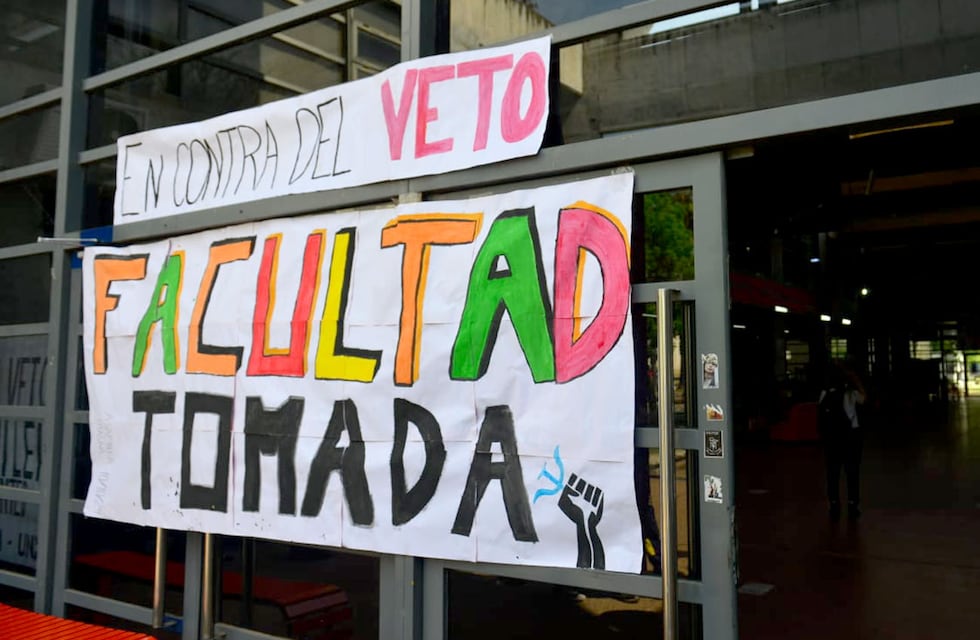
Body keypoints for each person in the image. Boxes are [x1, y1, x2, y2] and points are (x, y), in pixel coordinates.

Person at [818, 361, 866, 520]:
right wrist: (856, 380)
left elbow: (820, 416)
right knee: (852, 473)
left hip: (832, 439)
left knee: (833, 474)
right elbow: (864, 399)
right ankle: (852, 505)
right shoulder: (850, 393)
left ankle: (834, 505)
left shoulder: (825, 393)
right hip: (850, 439)